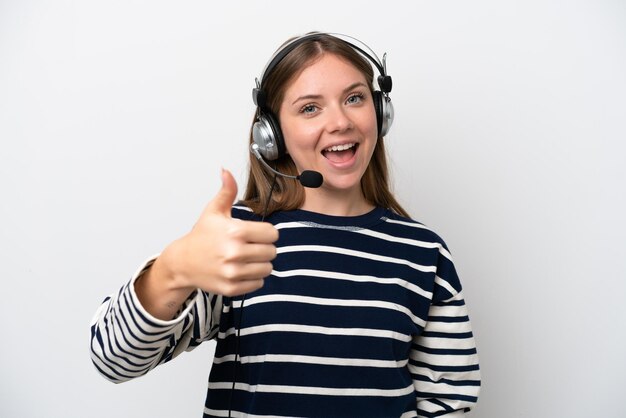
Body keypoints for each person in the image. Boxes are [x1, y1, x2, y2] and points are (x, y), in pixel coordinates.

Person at [90, 31, 481, 417]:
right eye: (310, 108)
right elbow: (113, 360)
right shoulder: (239, 239)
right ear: (271, 135)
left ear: (381, 113)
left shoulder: (423, 252)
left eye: (355, 98)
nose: (341, 121)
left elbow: (449, 399)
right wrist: (173, 269)